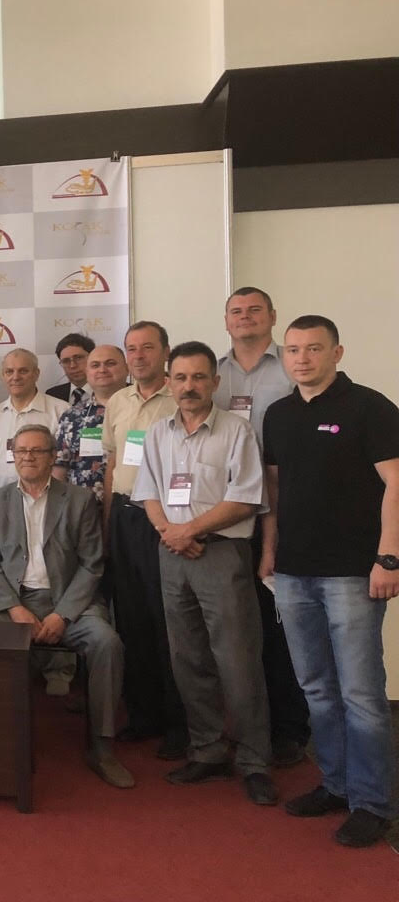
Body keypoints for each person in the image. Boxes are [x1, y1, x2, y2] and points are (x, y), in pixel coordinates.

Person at [261, 315, 398, 847]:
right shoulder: (278, 415)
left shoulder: (370, 407)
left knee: (361, 693)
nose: (302, 358)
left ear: (337, 353)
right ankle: (336, 785)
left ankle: (372, 802)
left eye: (313, 348)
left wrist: (388, 558)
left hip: (352, 572)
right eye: (293, 349)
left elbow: (396, 483)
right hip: (293, 574)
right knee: (317, 688)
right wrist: (269, 553)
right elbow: (275, 492)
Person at [132, 341, 277, 806]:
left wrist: (188, 531)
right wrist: (170, 533)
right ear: (169, 382)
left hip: (221, 553)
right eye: (180, 378)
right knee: (188, 658)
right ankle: (208, 751)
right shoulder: (158, 433)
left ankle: (254, 761)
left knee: (238, 660)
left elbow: (246, 497)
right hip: (172, 554)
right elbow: (148, 492)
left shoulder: (236, 430)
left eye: (198, 377)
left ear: (215, 382)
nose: (189, 386)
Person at [0, 424, 132, 789]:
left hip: (70, 601)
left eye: (37, 451)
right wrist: (14, 609)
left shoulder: (79, 499)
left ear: (52, 457)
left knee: (107, 643)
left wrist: (63, 615)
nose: (28, 457)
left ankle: (102, 748)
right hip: (16, 603)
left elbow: (92, 564)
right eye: (21, 451)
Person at [214, 286, 310, 767]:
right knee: (235, 631)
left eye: (255, 310)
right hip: (225, 517)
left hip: (281, 511)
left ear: (273, 316)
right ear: (225, 321)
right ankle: (243, 728)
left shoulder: (291, 367)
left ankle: (289, 729)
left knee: (280, 626)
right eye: (236, 311)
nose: (245, 317)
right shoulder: (213, 373)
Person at [100, 321, 186, 757]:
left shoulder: (181, 397)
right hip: (124, 517)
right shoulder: (118, 401)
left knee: (168, 621)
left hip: (166, 520)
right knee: (131, 619)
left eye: (147, 348)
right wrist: (107, 523)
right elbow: (112, 465)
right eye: (131, 349)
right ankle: (142, 714)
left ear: (165, 352)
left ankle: (179, 723)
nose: (138, 356)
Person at [53, 344, 128, 503]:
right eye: (95, 365)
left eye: (110, 363)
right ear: (87, 372)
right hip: (83, 509)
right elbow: (59, 469)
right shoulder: (71, 416)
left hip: (134, 508)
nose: (102, 370)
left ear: (127, 368)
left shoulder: (142, 410)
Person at [0, 348, 67, 490]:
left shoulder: (61, 411)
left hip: (46, 498)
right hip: (0, 497)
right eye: (9, 371)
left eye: (23, 371)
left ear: (36, 374)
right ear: (3, 375)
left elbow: (65, 462)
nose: (15, 377)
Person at [46, 332, 95, 405]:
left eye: (78, 358)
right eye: (66, 361)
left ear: (93, 357)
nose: (73, 365)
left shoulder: (109, 392)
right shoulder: (52, 395)